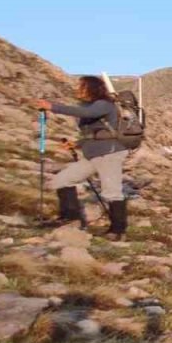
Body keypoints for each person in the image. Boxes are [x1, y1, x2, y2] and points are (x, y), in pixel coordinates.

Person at [34, 76, 129, 240]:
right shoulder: (89, 106)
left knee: (112, 192)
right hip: (92, 155)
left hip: (109, 154)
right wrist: (76, 144)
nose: (78, 89)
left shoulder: (104, 104)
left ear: (92, 88)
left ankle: (118, 231)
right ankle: (71, 219)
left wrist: (52, 107)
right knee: (62, 180)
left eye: (82, 86)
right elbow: (94, 133)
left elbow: (88, 113)